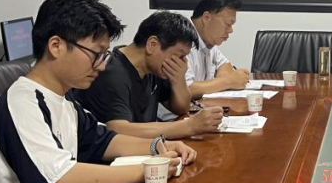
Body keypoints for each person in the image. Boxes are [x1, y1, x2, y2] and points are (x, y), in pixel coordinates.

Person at [0, 0, 196, 183]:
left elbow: (104, 141)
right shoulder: (22, 101)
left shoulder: (64, 99)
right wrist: (147, 170)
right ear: (56, 46)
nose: (101, 66)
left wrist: (157, 146)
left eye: (105, 55)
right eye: (96, 54)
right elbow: (59, 177)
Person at [74, 11, 226, 138]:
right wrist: (189, 126)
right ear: (152, 45)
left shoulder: (154, 68)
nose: (182, 62)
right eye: (179, 55)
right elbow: (119, 129)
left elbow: (181, 108)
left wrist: (179, 79)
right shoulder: (112, 73)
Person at [185, 0, 250, 95]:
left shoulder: (208, 42)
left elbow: (225, 65)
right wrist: (228, 82)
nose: (230, 30)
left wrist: (223, 80)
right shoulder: (182, 42)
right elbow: (185, 90)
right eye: (228, 24)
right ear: (206, 18)